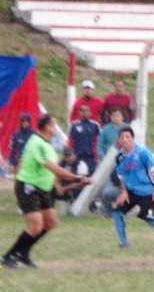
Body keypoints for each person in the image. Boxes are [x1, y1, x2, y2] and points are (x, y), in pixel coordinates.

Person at [2, 115, 90, 269]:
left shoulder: (47, 144)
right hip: (28, 186)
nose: (56, 128)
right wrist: (76, 177)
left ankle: (23, 254)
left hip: (43, 188)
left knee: (51, 222)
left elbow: (50, 170)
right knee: (36, 226)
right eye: (54, 125)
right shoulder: (37, 143)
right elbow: (53, 167)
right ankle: (8, 256)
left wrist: (56, 185)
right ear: (47, 127)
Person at [111, 126, 154, 249]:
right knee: (117, 212)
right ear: (119, 140)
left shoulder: (143, 153)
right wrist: (124, 192)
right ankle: (124, 243)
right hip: (131, 191)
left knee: (150, 220)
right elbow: (121, 176)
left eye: (128, 137)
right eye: (122, 137)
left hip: (147, 192)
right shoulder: (119, 157)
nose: (125, 139)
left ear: (133, 139)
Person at [68, 105, 101, 175]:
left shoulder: (95, 125)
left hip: (91, 157)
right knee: (78, 176)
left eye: (87, 111)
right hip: (78, 157)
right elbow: (71, 142)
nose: (85, 113)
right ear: (80, 113)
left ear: (90, 113)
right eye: (82, 111)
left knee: (92, 176)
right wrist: (71, 155)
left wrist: (97, 155)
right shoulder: (75, 125)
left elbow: (98, 141)